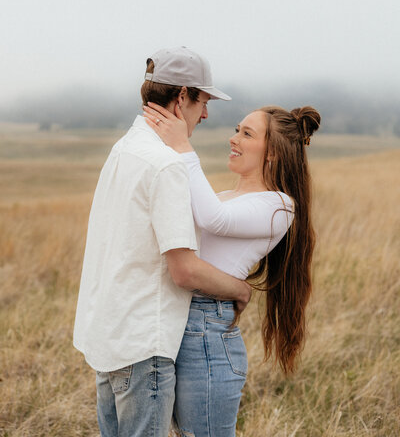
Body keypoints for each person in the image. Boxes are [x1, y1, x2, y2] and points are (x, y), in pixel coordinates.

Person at [73, 46, 251, 437]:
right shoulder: (167, 164)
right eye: (203, 100)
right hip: (142, 344)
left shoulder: (125, 148)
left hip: (108, 335)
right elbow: (184, 269)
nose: (205, 114)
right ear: (182, 95)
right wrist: (241, 290)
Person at [143, 100, 321, 437]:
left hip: (207, 333)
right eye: (237, 130)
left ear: (272, 153)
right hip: (179, 320)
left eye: (247, 133)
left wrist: (182, 145)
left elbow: (212, 219)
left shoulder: (279, 205)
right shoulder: (226, 195)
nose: (234, 138)